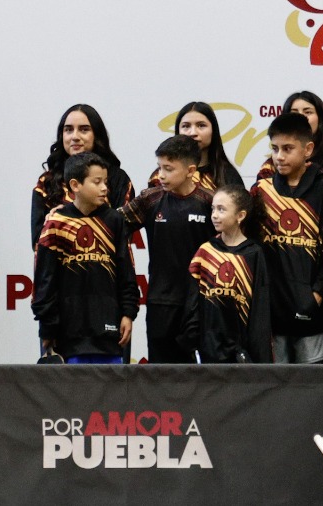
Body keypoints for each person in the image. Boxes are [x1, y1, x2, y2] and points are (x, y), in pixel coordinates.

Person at [32, 152, 138, 364]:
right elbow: (45, 281)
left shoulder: (114, 220)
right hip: (68, 332)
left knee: (109, 385)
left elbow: (126, 273)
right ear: (75, 185)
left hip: (108, 329)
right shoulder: (56, 223)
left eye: (105, 182)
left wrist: (128, 313)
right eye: (97, 182)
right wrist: (48, 326)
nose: (104, 188)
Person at [252, 111, 323, 363]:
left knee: (313, 379)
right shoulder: (261, 191)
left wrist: (318, 294)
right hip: (271, 308)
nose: (279, 156)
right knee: (275, 379)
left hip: (311, 307)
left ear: (308, 149)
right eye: (275, 149)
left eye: (288, 149)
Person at [120, 136, 216, 363]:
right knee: (160, 372)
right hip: (160, 301)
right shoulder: (150, 199)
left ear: (190, 170)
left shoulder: (210, 202)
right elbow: (110, 224)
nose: (161, 175)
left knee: (204, 371)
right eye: (159, 167)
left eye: (169, 169)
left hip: (202, 301)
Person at [186, 186, 273, 363]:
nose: (214, 215)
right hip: (208, 350)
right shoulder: (206, 252)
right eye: (213, 209)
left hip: (241, 354)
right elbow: (192, 304)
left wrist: (257, 357)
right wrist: (193, 342)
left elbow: (259, 310)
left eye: (221, 209)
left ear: (240, 216)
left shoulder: (254, 254)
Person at [32, 104, 132, 252]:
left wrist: (68, 220)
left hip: (106, 263)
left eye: (84, 129)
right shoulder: (47, 182)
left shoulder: (117, 178)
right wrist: (54, 223)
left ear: (96, 135)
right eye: (68, 130)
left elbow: (123, 234)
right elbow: (37, 242)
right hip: (61, 265)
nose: (75, 137)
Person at [255, 91, 323, 184]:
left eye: (308, 112)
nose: (301, 116)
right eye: (294, 112)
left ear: (320, 118)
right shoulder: (273, 165)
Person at [167, 101, 245, 191]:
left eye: (201, 125)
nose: (193, 133)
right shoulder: (163, 175)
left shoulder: (228, 175)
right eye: (186, 126)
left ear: (213, 131)